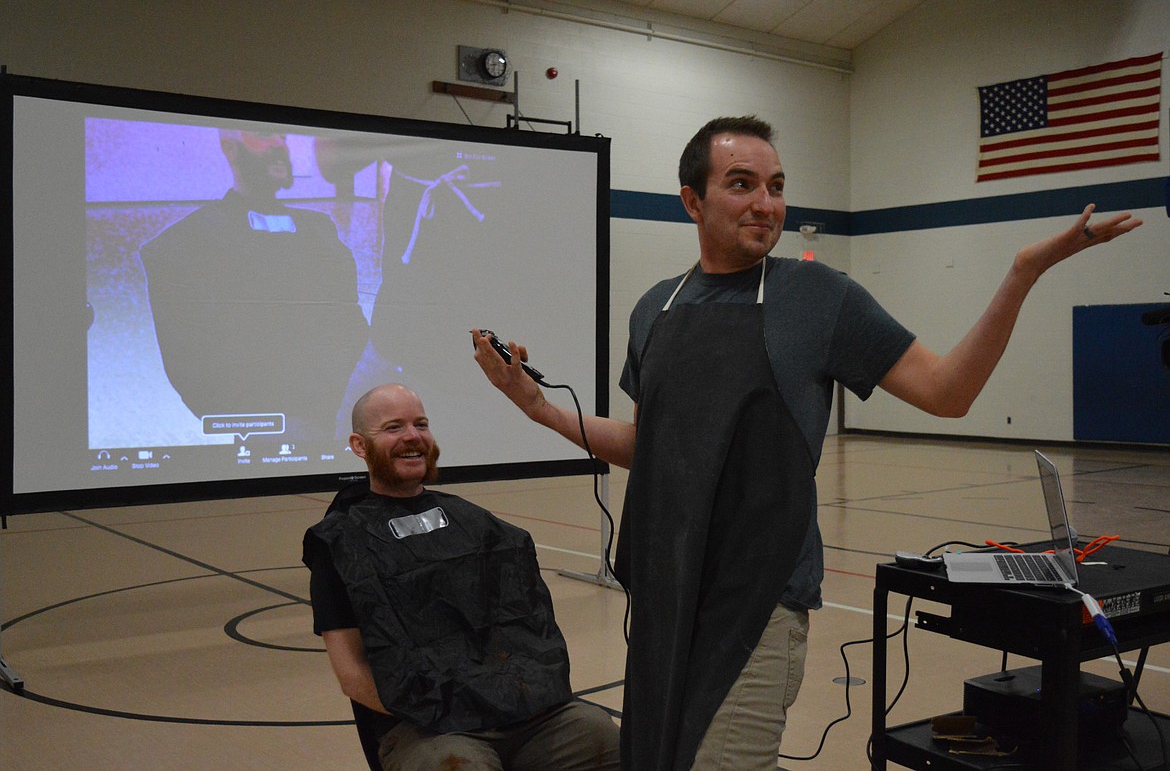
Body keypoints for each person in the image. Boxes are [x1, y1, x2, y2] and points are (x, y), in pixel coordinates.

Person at [471, 115, 1143, 771]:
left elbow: (948, 392)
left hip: (760, 602)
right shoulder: (655, 308)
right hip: (665, 598)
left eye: (777, 186)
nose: (766, 204)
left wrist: (1022, 273)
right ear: (690, 200)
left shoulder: (820, 298)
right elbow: (650, 444)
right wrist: (538, 408)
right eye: (741, 184)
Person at [302, 383, 620, 771]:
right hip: (426, 726)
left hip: (514, 711)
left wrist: (511, 697)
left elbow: (524, 630)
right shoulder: (340, 543)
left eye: (421, 424)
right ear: (359, 445)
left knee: (599, 732)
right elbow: (352, 674)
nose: (412, 437)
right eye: (393, 427)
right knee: (459, 764)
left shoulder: (476, 525)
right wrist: (442, 712)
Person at [140, 130, 369, 440]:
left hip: (339, 416)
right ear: (230, 149)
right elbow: (188, 356)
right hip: (266, 425)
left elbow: (350, 325)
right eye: (264, 136)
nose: (279, 145)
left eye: (283, 138)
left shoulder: (319, 232)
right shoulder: (182, 244)